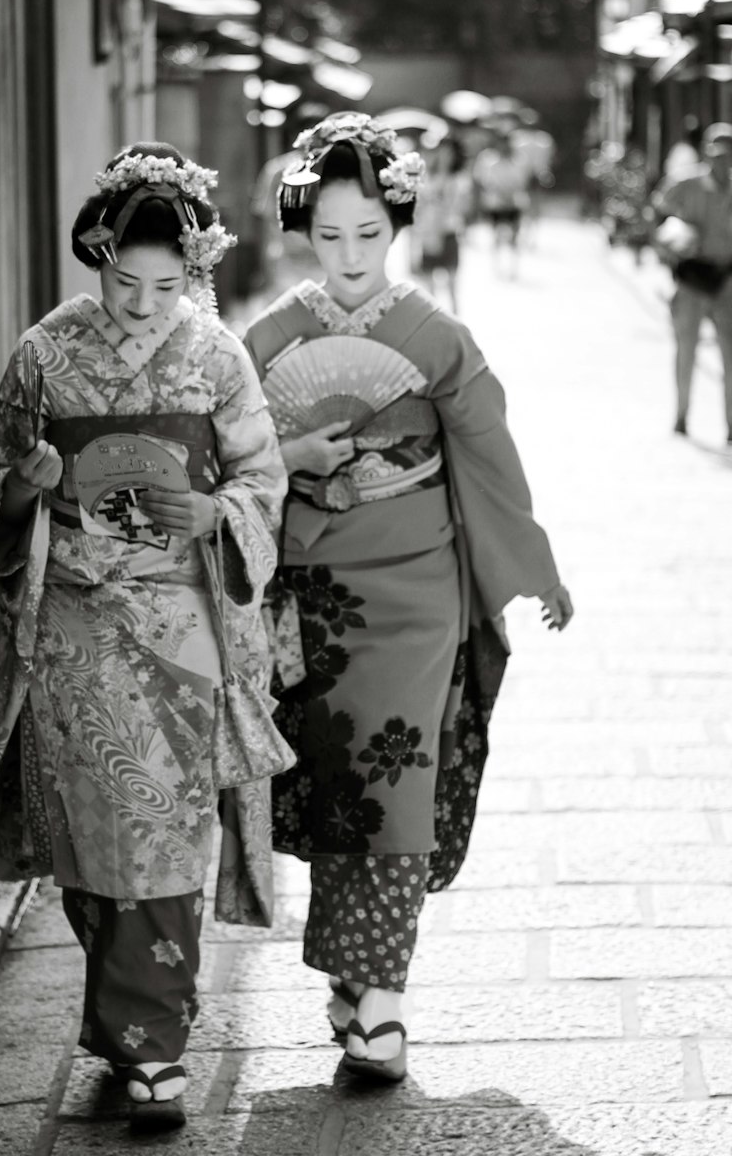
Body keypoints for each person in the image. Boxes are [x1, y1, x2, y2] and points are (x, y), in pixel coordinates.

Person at [0, 143, 288, 1129]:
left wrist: (220, 515)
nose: (140, 304)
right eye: (124, 282)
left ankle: (155, 1052)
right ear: (96, 259)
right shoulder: (44, 354)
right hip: (76, 623)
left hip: (180, 623)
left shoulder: (217, 355)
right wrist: (28, 485)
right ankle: (126, 1034)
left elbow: (263, 478)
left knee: (162, 833)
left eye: (165, 285)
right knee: (95, 844)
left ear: (194, 274)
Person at [243, 112, 573, 1084]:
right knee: (337, 787)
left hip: (418, 588)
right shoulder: (269, 336)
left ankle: (382, 999)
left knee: (399, 784)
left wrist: (532, 568)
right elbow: (228, 454)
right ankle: (353, 976)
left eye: (370, 235)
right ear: (306, 229)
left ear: (401, 224)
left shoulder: (435, 336)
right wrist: (288, 454)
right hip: (315, 592)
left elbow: (489, 457)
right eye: (330, 235)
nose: (349, 258)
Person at [652, 121, 732, 443]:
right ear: (707, 155)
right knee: (686, 350)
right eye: (718, 156)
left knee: (730, 355)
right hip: (692, 278)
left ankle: (730, 426)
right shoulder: (685, 183)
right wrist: (671, 243)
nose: (723, 163)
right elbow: (658, 210)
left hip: (727, 280)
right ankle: (682, 415)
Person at [411, 133, 473, 313]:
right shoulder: (426, 177)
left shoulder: (460, 179)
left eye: (449, 152)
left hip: (448, 233)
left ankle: (455, 322)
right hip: (429, 234)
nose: (444, 155)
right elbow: (420, 207)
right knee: (430, 288)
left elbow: (460, 207)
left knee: (452, 287)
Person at [472, 128, 532, 277]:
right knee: (496, 235)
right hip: (495, 204)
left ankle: (513, 268)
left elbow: (523, 181)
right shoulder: (488, 160)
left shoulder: (519, 160)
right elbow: (482, 181)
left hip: (514, 203)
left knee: (514, 237)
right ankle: (497, 266)